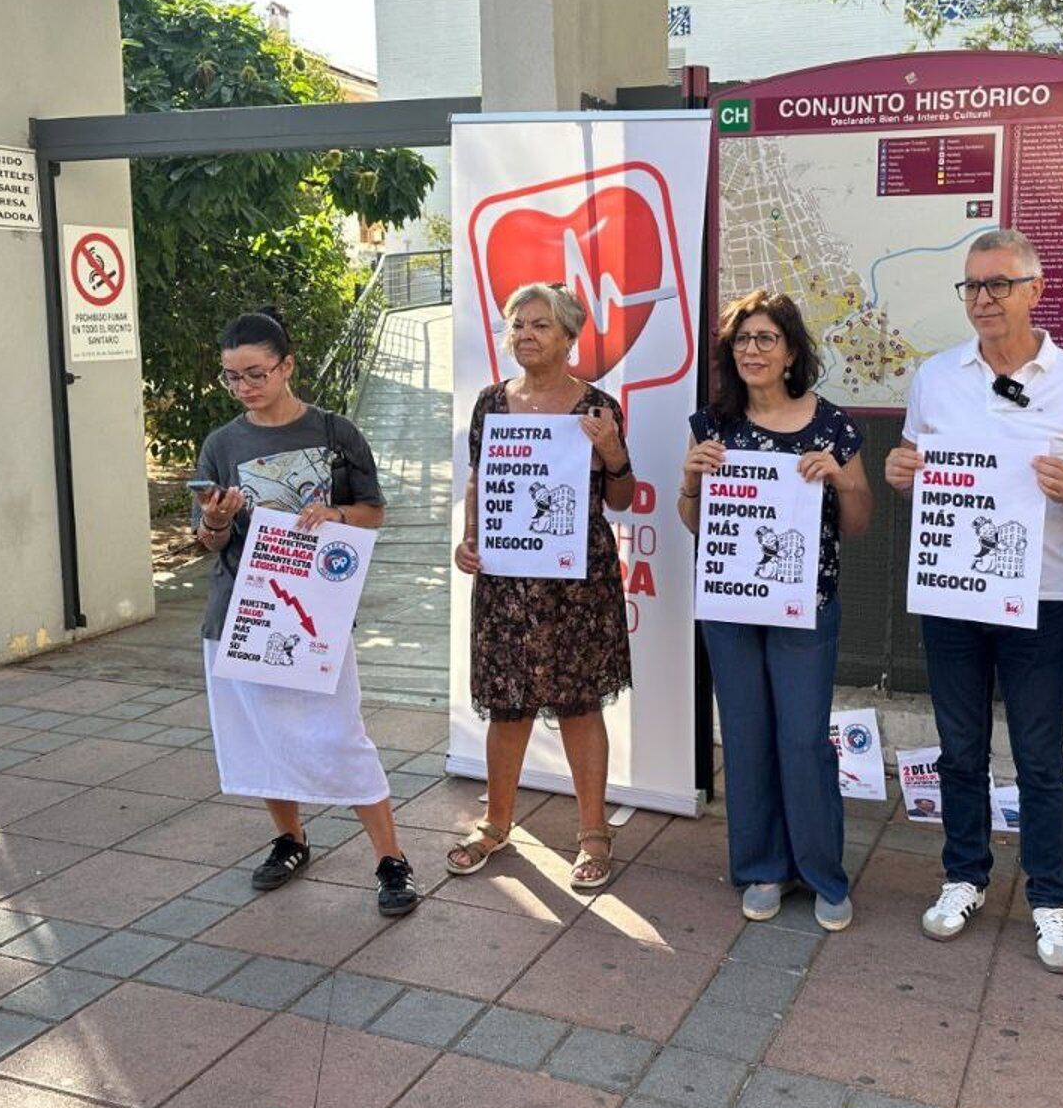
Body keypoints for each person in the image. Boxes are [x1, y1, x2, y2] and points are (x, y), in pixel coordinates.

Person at [884, 230, 1063, 968]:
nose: (983, 299)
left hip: (1041, 596)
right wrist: (903, 471)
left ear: (1035, 288)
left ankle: (1051, 897)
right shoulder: (935, 377)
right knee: (960, 749)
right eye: (971, 286)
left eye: (997, 284)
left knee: (1038, 755)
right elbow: (918, 470)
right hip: (954, 590)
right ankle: (964, 875)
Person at [192, 308, 419, 916]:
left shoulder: (334, 432)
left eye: (256, 373)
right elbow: (206, 541)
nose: (245, 387)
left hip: (316, 614)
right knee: (262, 738)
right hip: (242, 614)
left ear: (288, 366)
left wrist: (335, 515)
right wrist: (215, 522)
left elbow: (373, 511)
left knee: (341, 735)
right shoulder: (222, 445)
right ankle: (291, 840)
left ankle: (390, 859)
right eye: (232, 377)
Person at [679, 290, 874, 932]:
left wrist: (842, 478)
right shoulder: (712, 426)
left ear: (792, 350)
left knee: (802, 738)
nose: (752, 351)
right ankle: (762, 865)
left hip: (806, 607)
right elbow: (694, 523)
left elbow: (860, 522)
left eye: (765, 339)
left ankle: (821, 872)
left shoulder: (832, 425)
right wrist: (691, 481)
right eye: (741, 340)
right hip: (731, 607)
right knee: (745, 734)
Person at [449, 283, 635, 891]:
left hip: (578, 582)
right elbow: (480, 480)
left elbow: (621, 500)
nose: (526, 336)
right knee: (508, 702)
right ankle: (495, 824)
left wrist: (610, 451)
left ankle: (593, 835)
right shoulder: (490, 405)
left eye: (540, 326)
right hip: (506, 580)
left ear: (569, 336)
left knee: (579, 703)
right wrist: (470, 538)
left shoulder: (598, 406)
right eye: (518, 326)